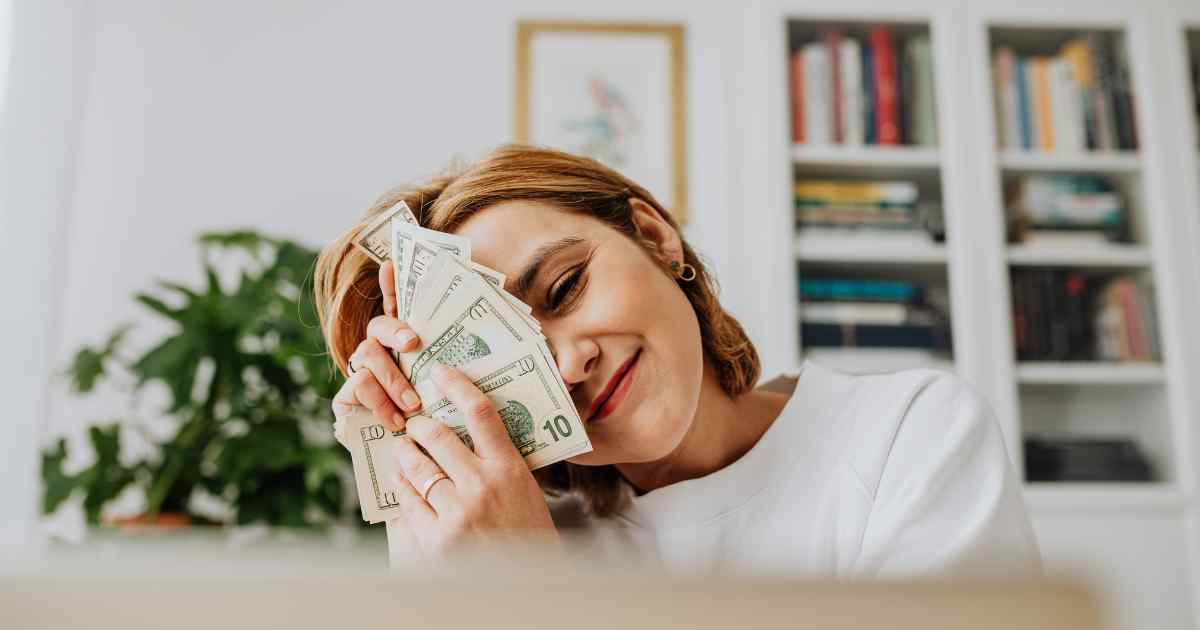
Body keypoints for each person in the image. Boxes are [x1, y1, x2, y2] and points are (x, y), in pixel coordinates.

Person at [313, 145, 1041, 577]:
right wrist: (421, 545)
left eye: (566, 287)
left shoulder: (905, 436)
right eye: (506, 353)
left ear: (656, 236)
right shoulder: (514, 537)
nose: (567, 365)